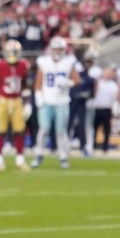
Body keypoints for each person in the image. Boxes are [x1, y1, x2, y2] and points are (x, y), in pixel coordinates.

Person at [32, 36, 77, 169]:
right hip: (47, 100)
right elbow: (38, 82)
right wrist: (38, 96)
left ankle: (63, 157)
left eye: (59, 50)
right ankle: (39, 154)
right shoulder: (43, 62)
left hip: (62, 101)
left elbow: (77, 80)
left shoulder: (69, 62)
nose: (57, 52)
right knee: (44, 129)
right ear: (51, 50)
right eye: (55, 49)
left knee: (61, 131)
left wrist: (68, 83)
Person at [0, 38, 30, 170]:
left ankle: (19, 160)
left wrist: (27, 101)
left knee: (19, 131)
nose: (12, 55)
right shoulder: (0, 65)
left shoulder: (23, 65)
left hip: (17, 100)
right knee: (2, 131)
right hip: (3, 99)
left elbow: (25, 83)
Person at [90, 66, 118, 153]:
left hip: (107, 108)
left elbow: (115, 98)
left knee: (106, 129)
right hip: (97, 108)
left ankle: (105, 147)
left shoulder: (113, 85)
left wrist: (115, 109)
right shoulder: (98, 83)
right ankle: (92, 145)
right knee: (94, 128)